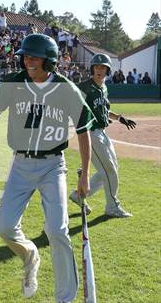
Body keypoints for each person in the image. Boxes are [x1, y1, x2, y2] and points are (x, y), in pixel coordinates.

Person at [0, 34, 95, 302]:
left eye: (33, 57)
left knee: (57, 230)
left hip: (53, 166)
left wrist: (85, 173)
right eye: (25, 56)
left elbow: (84, 131)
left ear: (49, 61)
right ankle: (29, 254)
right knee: (5, 227)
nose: (27, 61)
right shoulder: (12, 83)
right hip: (20, 165)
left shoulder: (67, 89)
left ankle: (65, 297)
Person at [69, 54, 135, 217]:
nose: (99, 70)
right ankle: (112, 207)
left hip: (103, 133)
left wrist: (119, 118)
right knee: (109, 170)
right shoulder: (84, 87)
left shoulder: (103, 87)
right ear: (92, 69)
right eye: (97, 67)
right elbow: (72, 105)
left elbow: (104, 110)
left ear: (107, 70)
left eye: (103, 67)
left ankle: (79, 195)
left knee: (110, 168)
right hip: (91, 133)